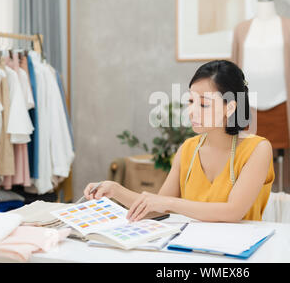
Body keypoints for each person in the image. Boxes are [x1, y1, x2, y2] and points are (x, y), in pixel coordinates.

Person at [84, 60, 275, 222]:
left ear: (230, 107)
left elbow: (233, 211)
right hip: (193, 249)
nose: (192, 111)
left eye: (203, 104)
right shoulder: (188, 149)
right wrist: (115, 190)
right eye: (191, 101)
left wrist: (168, 203)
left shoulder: (258, 149)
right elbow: (155, 208)